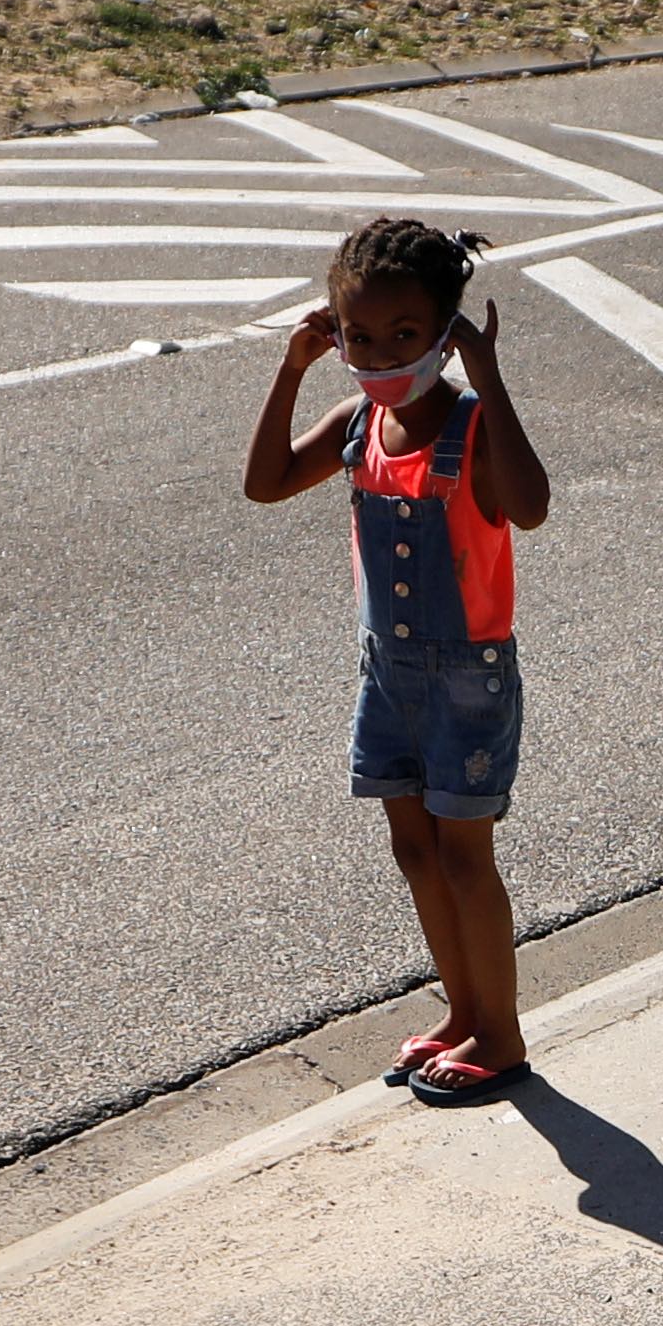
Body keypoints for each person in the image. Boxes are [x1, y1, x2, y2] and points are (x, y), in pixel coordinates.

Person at [242, 217, 554, 1101]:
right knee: (413, 850)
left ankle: (501, 1034)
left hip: (468, 681)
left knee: (464, 857)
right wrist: (291, 369)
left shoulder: (469, 428)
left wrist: (488, 380)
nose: (378, 355)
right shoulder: (357, 425)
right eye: (357, 336)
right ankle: (462, 1009)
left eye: (404, 336)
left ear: (446, 332)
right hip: (387, 673)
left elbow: (530, 507)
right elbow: (264, 482)